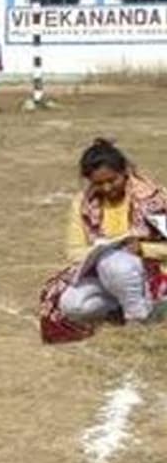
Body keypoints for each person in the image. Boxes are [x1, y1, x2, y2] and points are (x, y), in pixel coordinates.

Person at [39, 139, 167, 343]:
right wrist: (97, 252)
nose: (107, 188)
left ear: (124, 171)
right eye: (98, 183)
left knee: (116, 263)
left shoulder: (154, 199)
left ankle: (140, 317)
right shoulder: (82, 204)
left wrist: (143, 248)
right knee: (73, 304)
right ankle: (123, 305)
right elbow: (73, 251)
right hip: (103, 272)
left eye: (112, 180)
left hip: (149, 271)